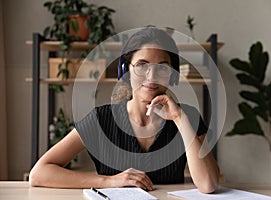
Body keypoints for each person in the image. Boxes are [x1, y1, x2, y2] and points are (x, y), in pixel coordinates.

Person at [29, 27, 220, 193]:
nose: (151, 76)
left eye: (162, 67)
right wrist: (108, 181)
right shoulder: (101, 119)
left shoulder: (188, 116)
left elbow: (208, 184)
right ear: (125, 71)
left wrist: (178, 117)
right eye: (142, 65)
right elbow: (39, 173)